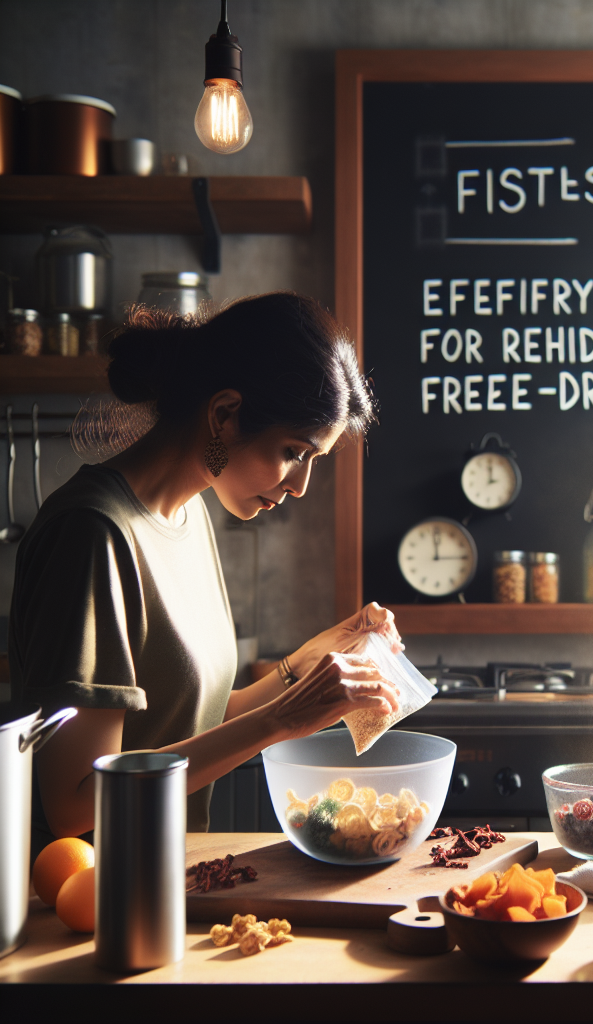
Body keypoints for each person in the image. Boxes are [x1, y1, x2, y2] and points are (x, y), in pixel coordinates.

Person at [9, 293, 400, 855]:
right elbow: (74, 803)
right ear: (223, 414)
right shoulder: (94, 534)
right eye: (294, 451)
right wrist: (282, 721)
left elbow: (192, 722)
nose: (300, 486)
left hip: (172, 880)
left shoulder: (190, 516)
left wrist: (306, 665)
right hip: (85, 903)